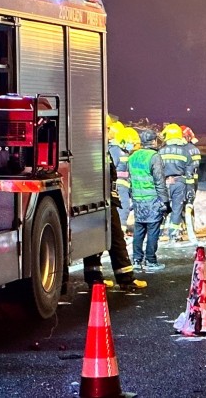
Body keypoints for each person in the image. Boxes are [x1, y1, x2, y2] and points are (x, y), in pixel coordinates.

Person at [82, 118, 146, 290]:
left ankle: (95, 279)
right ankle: (125, 279)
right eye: (107, 127)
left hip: (101, 200)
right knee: (116, 239)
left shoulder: (98, 148)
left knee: (98, 239)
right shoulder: (97, 148)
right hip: (102, 201)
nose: (110, 131)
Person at [129, 129, 170, 272]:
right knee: (153, 230)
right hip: (152, 200)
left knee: (139, 230)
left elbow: (130, 179)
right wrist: (165, 201)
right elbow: (159, 181)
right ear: (153, 141)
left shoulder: (133, 156)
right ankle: (151, 260)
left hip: (138, 200)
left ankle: (136, 260)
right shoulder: (154, 156)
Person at [159, 123, 195, 243]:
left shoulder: (160, 151)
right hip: (179, 183)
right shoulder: (185, 152)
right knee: (177, 209)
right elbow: (190, 174)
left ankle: (158, 233)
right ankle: (173, 234)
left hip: (164, 184)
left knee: (162, 208)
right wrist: (190, 190)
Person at [116, 127, 141, 234]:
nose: (132, 146)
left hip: (125, 185)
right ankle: (121, 232)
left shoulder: (122, 152)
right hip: (119, 185)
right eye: (130, 143)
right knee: (124, 207)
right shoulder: (116, 151)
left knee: (126, 207)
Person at [181, 125, 201, 231]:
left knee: (180, 204)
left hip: (183, 180)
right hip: (193, 181)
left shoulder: (180, 149)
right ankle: (190, 226)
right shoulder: (194, 149)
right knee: (189, 203)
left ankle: (184, 226)